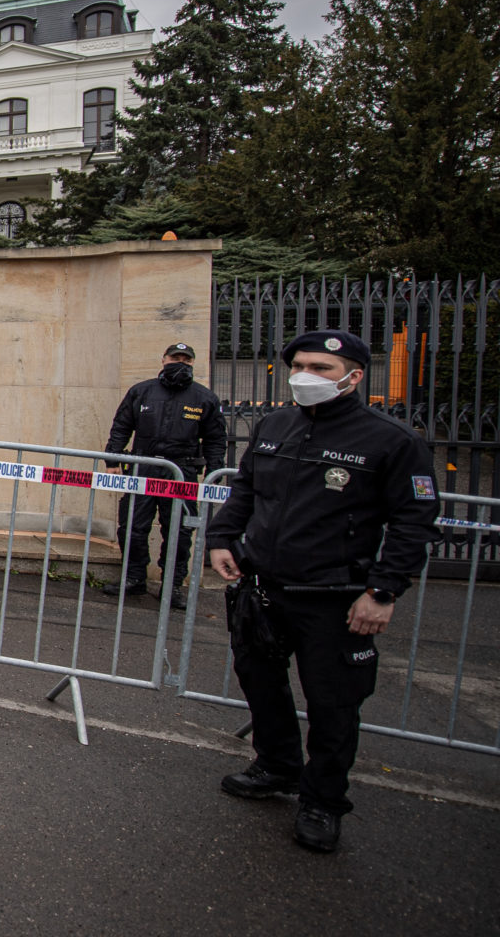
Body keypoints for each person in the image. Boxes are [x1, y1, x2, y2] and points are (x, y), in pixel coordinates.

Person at [204, 329, 439, 854]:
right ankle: (277, 766)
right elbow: (246, 490)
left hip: (336, 598)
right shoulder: (275, 425)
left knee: (333, 705)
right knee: (260, 684)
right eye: (301, 365)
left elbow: (414, 522)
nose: (305, 376)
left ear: (354, 376)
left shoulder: (392, 441)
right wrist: (221, 538)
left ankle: (323, 801)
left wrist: (383, 591)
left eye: (321, 369)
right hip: (261, 587)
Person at [97, 342, 226, 609]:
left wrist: (214, 471)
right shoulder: (142, 392)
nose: (180, 362)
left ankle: (173, 585)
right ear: (163, 359)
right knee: (132, 527)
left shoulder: (204, 398)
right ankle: (134, 578)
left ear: (192, 363)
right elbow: (121, 425)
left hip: (182, 472)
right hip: (143, 468)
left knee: (179, 531)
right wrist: (113, 457)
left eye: (185, 359)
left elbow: (215, 439)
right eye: (175, 357)